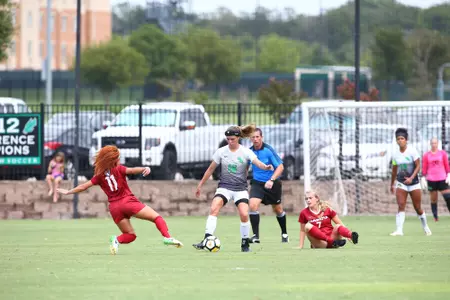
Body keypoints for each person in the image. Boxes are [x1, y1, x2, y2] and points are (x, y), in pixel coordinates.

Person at [57, 145, 183, 255]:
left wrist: (69, 191)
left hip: (114, 208)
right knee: (156, 218)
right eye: (118, 157)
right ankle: (167, 237)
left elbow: (84, 186)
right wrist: (145, 168)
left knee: (130, 235)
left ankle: (116, 239)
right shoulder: (119, 169)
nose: (119, 159)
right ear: (113, 160)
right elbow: (132, 170)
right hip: (128, 202)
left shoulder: (99, 176)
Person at [193, 124, 274, 252]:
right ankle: (207, 238)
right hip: (224, 187)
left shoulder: (246, 152)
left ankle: (244, 243)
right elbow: (210, 169)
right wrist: (200, 185)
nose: (230, 141)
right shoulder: (221, 152)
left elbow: (257, 163)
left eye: (232, 139)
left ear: (238, 138)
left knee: (243, 214)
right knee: (214, 208)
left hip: (240, 189)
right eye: (228, 139)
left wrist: (266, 167)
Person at [248, 128, 288, 244]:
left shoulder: (268, 150)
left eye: (257, 137)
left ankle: (284, 233)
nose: (255, 139)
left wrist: (271, 179)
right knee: (253, 205)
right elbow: (246, 167)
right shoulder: (250, 152)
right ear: (250, 139)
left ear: (261, 137)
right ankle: (256, 236)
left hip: (272, 183)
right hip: (257, 183)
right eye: (253, 137)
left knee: (277, 209)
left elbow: (280, 167)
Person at [390, 128, 432, 236]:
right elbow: (394, 170)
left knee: (417, 208)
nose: (400, 140)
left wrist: (411, 178)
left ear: (406, 140)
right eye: (398, 139)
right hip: (401, 183)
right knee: (401, 205)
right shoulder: (395, 154)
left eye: (402, 138)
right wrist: (392, 184)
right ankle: (399, 230)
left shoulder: (412, 151)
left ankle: (425, 226)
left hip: (414, 183)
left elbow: (418, 166)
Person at [421, 137, 450, 221]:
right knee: (433, 199)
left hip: (442, 179)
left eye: (435, 143)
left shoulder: (442, 153)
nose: (434, 145)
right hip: (431, 179)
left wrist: (448, 174)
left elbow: (446, 164)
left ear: (438, 144)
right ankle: (435, 217)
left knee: (448, 197)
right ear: (430, 144)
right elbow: (425, 167)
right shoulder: (427, 155)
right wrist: (423, 177)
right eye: (432, 143)